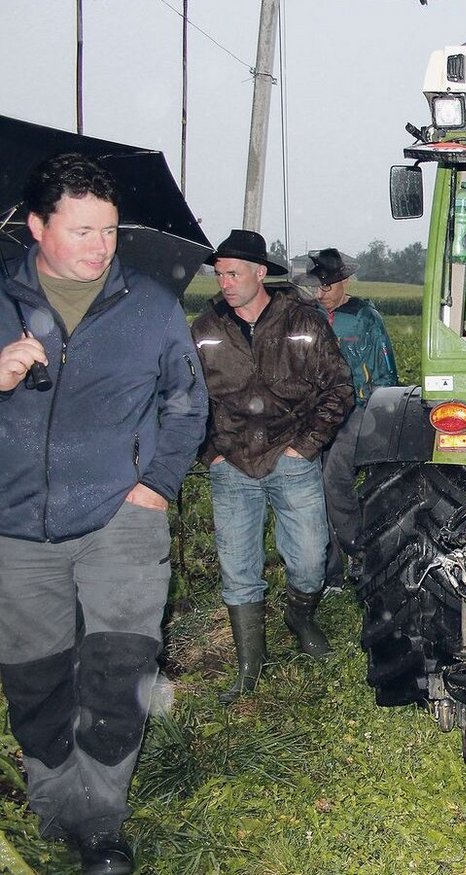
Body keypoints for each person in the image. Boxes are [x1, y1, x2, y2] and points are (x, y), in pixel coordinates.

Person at [0, 153, 207, 874]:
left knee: (119, 673)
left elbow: (187, 405)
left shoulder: (150, 305)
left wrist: (154, 485)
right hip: (17, 530)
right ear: (36, 225)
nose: (100, 245)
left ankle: (100, 824)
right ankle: (57, 805)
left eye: (109, 230)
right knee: (35, 680)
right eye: (82, 229)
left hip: (122, 520)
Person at [192, 230, 353, 704]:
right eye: (219, 273)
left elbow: (339, 387)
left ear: (260, 273)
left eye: (234, 273)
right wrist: (210, 452)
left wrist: (305, 446)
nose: (225, 282)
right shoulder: (204, 330)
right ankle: (249, 665)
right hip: (232, 463)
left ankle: (300, 616)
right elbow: (185, 398)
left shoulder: (301, 320)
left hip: (291, 457)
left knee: (308, 560)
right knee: (237, 566)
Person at [292, 248, 399, 588]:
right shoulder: (309, 317)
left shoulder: (364, 316)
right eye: (316, 288)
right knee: (310, 482)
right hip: (316, 411)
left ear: (343, 281)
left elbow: (385, 375)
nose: (321, 294)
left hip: (358, 409)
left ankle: (360, 549)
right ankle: (330, 569)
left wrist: (379, 419)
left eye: (327, 287)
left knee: (334, 475)